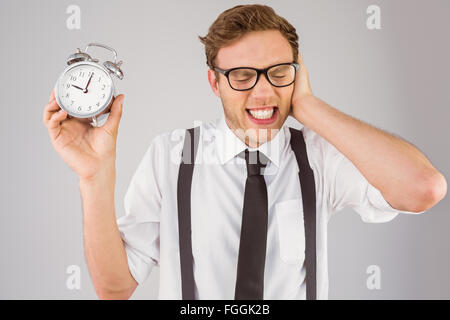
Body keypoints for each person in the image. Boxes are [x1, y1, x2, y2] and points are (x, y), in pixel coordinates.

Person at [43, 4, 447, 300]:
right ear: (214, 83)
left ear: (297, 73)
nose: (263, 91)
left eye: (278, 72)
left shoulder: (320, 157)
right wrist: (94, 178)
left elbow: (423, 188)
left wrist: (309, 107)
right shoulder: (171, 155)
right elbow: (114, 288)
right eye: (241, 75)